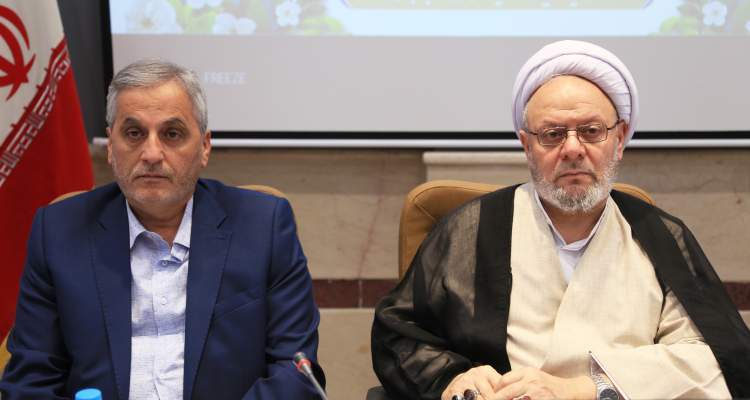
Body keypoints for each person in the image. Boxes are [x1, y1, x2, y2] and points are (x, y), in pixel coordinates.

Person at [371, 40, 750, 400]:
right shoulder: (471, 231)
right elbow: (401, 335)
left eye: (591, 131)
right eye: (552, 135)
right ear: (527, 146)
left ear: (619, 138)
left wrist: (587, 389)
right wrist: (454, 378)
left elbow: (715, 358)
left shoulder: (660, 237)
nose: (572, 149)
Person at [0, 60, 324, 399]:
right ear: (110, 146)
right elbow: (30, 382)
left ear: (204, 147)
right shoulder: (59, 232)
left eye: (172, 134)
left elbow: (296, 374)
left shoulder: (263, 226)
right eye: (134, 133)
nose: (152, 154)